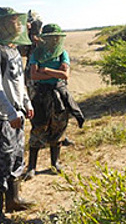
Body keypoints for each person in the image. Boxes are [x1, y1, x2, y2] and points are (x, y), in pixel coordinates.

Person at [0, 7, 35, 224]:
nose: (20, 25)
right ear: (3, 25)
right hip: (1, 119)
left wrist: (26, 103)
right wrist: (11, 111)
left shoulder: (14, 51)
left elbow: (19, 84)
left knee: (16, 159)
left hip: (17, 117)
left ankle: (13, 200)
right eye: (15, 21)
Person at [23, 24, 85, 181]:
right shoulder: (37, 53)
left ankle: (54, 163)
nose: (55, 40)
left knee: (59, 127)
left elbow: (65, 75)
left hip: (59, 96)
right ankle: (31, 167)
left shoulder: (63, 53)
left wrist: (47, 71)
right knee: (38, 127)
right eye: (52, 37)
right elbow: (33, 75)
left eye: (56, 37)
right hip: (41, 96)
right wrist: (53, 73)